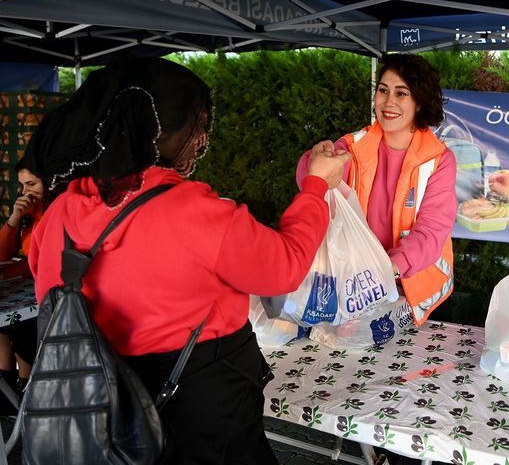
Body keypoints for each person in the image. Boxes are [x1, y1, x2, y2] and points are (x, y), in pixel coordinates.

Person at [26, 54, 350, 464]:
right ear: (167, 132)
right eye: (199, 128)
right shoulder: (192, 211)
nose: (202, 141)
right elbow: (283, 267)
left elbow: (47, 288)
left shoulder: (59, 213)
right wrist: (316, 186)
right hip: (199, 407)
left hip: (97, 408)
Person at [297, 54, 456, 326]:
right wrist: (313, 160)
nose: (388, 101)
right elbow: (310, 181)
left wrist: (388, 268)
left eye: (401, 93)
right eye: (383, 90)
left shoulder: (440, 160)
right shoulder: (352, 146)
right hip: (357, 284)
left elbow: (431, 231)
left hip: (412, 289)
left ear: (419, 102)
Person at [0, 160, 43, 401]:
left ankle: (26, 392)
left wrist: (12, 271)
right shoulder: (30, 211)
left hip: (50, 290)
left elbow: (46, 259)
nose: (26, 191)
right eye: (22, 186)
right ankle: (8, 389)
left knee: (21, 327)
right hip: (29, 287)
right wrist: (15, 218)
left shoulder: (56, 210)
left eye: (32, 184)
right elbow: (2, 255)